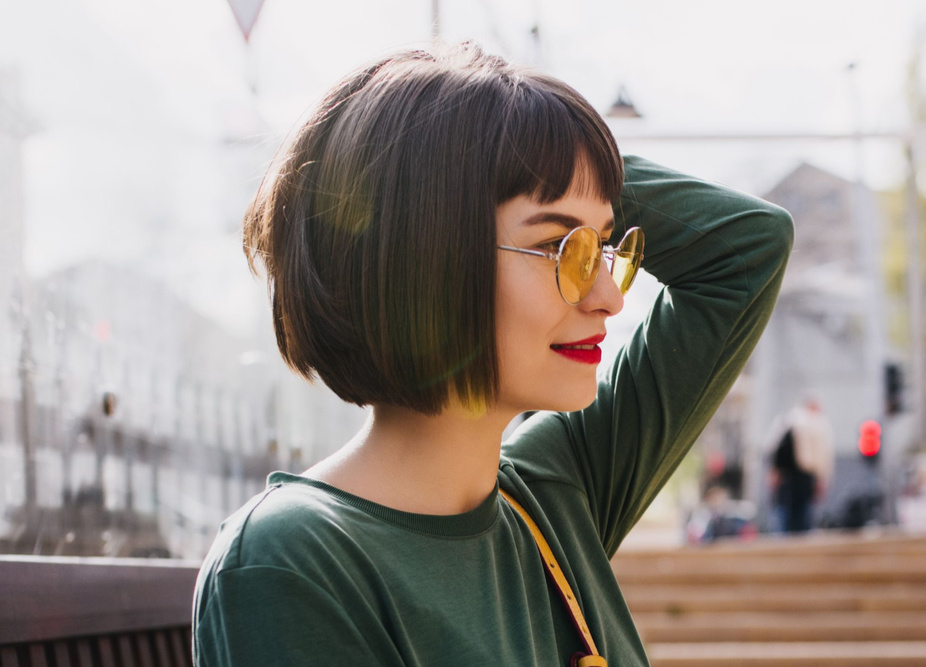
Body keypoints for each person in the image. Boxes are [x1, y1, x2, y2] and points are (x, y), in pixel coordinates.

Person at [192, 42, 793, 666]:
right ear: (426, 255)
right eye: (563, 248)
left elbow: (750, 248)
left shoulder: (553, 493)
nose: (609, 296)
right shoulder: (291, 561)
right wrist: (450, 164)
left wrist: (562, 156)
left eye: (605, 247)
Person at [769, 397, 835, 533]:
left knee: (791, 517)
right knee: (799, 519)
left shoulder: (789, 423)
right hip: (800, 477)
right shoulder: (815, 426)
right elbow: (823, 457)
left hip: (795, 478)